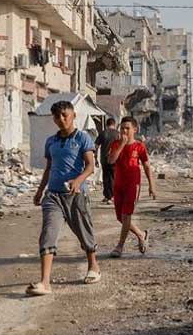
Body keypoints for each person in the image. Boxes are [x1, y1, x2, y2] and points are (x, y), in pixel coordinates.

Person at [27, 100, 101, 296]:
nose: (61, 120)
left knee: (84, 232)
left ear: (73, 115)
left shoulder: (83, 138)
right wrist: (40, 190)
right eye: (57, 116)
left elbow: (90, 166)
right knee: (48, 234)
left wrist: (78, 181)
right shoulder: (51, 141)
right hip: (53, 196)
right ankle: (45, 282)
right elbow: (49, 168)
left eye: (64, 115)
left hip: (76, 195)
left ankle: (93, 266)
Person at [107, 116, 155, 258]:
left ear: (135, 129)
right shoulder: (116, 144)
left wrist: (152, 185)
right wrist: (122, 144)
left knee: (126, 215)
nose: (124, 131)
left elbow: (146, 166)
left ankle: (119, 246)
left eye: (127, 128)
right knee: (120, 218)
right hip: (118, 184)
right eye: (122, 128)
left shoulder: (139, 146)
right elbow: (111, 160)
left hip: (132, 185)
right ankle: (141, 234)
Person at [95, 118, 120, 203]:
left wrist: (95, 158)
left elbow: (96, 146)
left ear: (106, 124)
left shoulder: (103, 133)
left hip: (104, 159)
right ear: (114, 124)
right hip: (115, 159)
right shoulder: (117, 134)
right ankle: (112, 196)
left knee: (105, 177)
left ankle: (107, 196)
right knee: (113, 177)